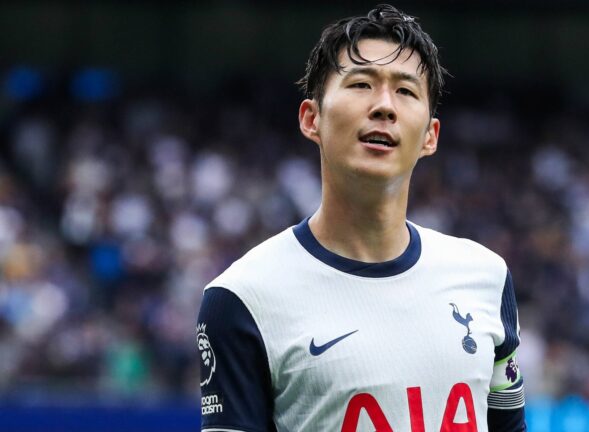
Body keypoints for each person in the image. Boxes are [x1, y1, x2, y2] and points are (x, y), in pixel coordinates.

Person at [196, 4, 526, 431]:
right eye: (361, 84)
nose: (384, 106)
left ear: (430, 136)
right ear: (311, 118)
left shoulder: (486, 277)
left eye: (406, 91)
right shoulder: (242, 299)